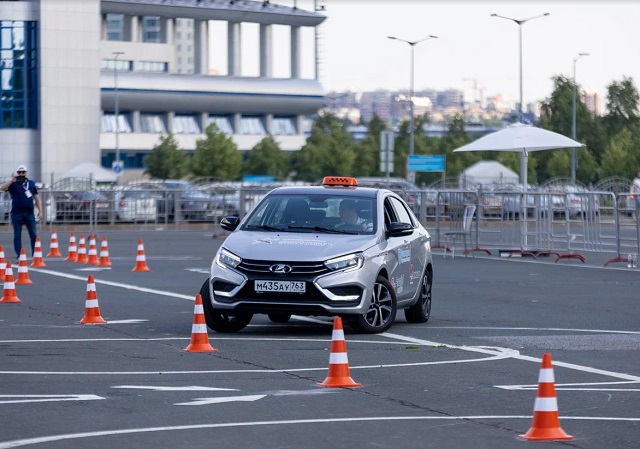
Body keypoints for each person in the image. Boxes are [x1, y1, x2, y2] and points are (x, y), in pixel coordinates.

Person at [0, 165, 43, 260]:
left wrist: (40, 210)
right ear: (17, 173)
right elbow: (2, 188)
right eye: (19, 172)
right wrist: (11, 180)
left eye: (23, 172)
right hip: (17, 212)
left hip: (29, 212)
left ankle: (35, 254)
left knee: (33, 234)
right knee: (17, 234)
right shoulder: (14, 184)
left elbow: (37, 198)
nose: (21, 174)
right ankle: (19, 255)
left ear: (26, 172)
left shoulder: (31, 184)